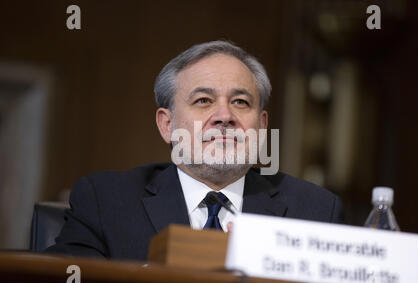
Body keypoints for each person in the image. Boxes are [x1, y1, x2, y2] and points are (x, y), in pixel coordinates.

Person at [45, 40, 344, 261]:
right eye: (203, 100)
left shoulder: (314, 211)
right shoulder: (105, 201)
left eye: (241, 102)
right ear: (167, 124)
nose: (224, 115)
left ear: (261, 125)